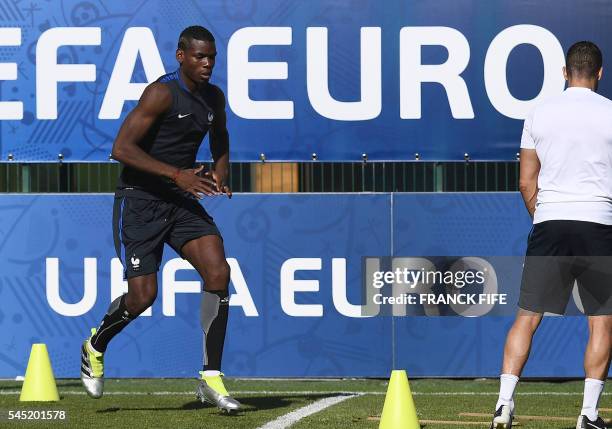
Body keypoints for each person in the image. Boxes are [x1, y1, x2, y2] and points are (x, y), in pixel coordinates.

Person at [79, 25, 241, 412]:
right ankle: (96, 343)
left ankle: (210, 377)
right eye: (200, 56)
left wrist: (221, 172)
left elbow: (220, 135)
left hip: (179, 201)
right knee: (143, 297)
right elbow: (121, 148)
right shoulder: (160, 93)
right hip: (141, 201)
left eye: (212, 57)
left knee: (218, 272)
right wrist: (176, 174)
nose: (207, 64)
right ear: (181, 55)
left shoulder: (214, 97)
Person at [490, 41, 612, 429]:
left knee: (526, 317)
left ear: (564, 72)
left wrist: (543, 216)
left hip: (550, 223)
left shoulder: (539, 114)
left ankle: (503, 406)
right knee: (602, 322)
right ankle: (588, 415)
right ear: (600, 73)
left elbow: (527, 181)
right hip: (599, 223)